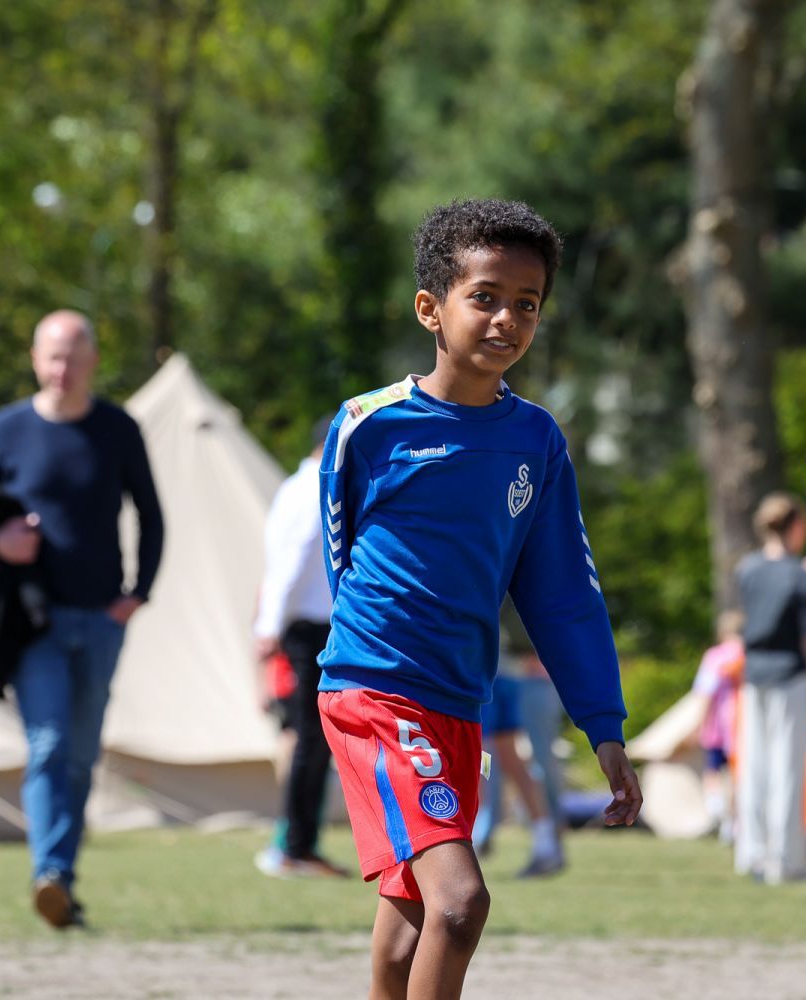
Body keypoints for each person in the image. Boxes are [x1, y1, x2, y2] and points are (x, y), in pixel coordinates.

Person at [315, 198, 642, 999]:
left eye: (527, 304)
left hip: (460, 703)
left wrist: (603, 725)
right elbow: (340, 556)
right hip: (377, 694)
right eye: (485, 297)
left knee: (408, 932)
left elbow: (563, 593)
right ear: (431, 308)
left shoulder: (536, 439)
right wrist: (369, 657)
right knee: (460, 903)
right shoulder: (368, 427)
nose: (507, 319)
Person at [0, 310, 164, 929]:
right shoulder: (8, 429)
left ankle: (63, 877)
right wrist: (0, 541)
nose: (63, 369)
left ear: (93, 363)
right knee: (48, 743)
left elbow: (152, 514)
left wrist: (137, 594)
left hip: (102, 618)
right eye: (54, 357)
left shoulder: (117, 428)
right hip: (34, 620)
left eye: (75, 358)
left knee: (81, 754)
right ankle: (49, 873)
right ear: (36, 359)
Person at [252, 416, 348, 878]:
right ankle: (294, 845)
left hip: (300, 625)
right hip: (307, 628)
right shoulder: (315, 488)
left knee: (309, 737)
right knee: (311, 738)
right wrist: (271, 624)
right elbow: (294, 559)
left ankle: (299, 842)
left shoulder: (292, 486)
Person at [733, 493, 806, 884]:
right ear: (795, 527)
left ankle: (751, 852)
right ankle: (785, 860)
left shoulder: (747, 569)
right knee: (786, 767)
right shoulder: (800, 575)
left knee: (753, 765)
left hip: (753, 675)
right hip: (789, 675)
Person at [471, 602, 565, 878]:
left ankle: (476, 836)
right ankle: (545, 843)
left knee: (482, 759)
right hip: (512, 673)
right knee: (510, 761)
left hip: (489, 673)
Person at [692, 609, 744, 842]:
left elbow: (705, 692)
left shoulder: (715, 656)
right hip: (741, 724)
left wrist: (699, 723)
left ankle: (718, 812)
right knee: (736, 776)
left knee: (713, 772)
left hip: (717, 725)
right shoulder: (746, 655)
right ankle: (733, 822)